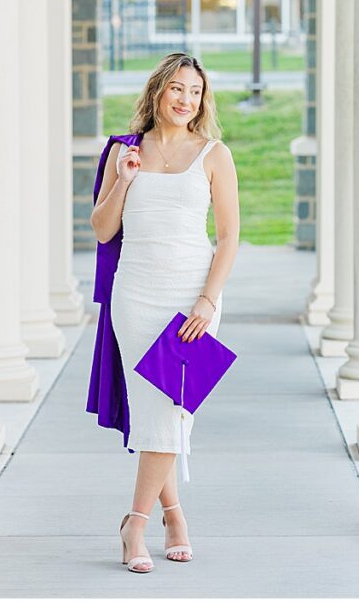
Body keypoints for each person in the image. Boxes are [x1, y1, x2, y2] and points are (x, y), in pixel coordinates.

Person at [90, 52, 240, 573]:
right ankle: (171, 515)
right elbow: (103, 229)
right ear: (158, 91)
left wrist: (208, 298)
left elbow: (228, 237)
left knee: (173, 410)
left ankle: (136, 522)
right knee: (158, 411)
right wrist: (125, 179)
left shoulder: (214, 154)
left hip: (192, 297)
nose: (185, 100)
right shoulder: (124, 151)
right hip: (135, 296)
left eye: (195, 92)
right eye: (177, 88)